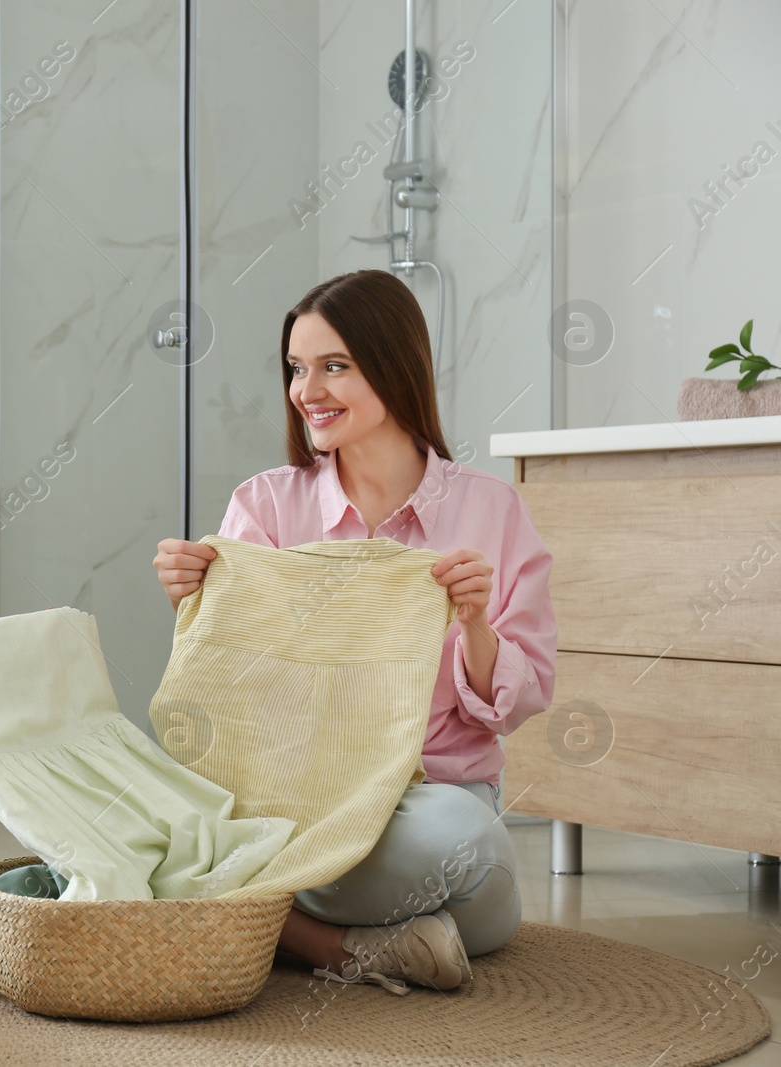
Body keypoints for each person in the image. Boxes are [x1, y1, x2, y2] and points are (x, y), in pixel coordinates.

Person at [153, 269, 557, 994]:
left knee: (463, 845)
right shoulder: (267, 504)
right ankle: (345, 946)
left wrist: (473, 626)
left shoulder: (492, 510)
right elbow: (236, 688)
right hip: (292, 796)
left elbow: (523, 700)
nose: (308, 390)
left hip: (428, 801)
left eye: (334, 366)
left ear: (395, 365)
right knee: (148, 805)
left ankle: (248, 912)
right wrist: (194, 598)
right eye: (297, 368)